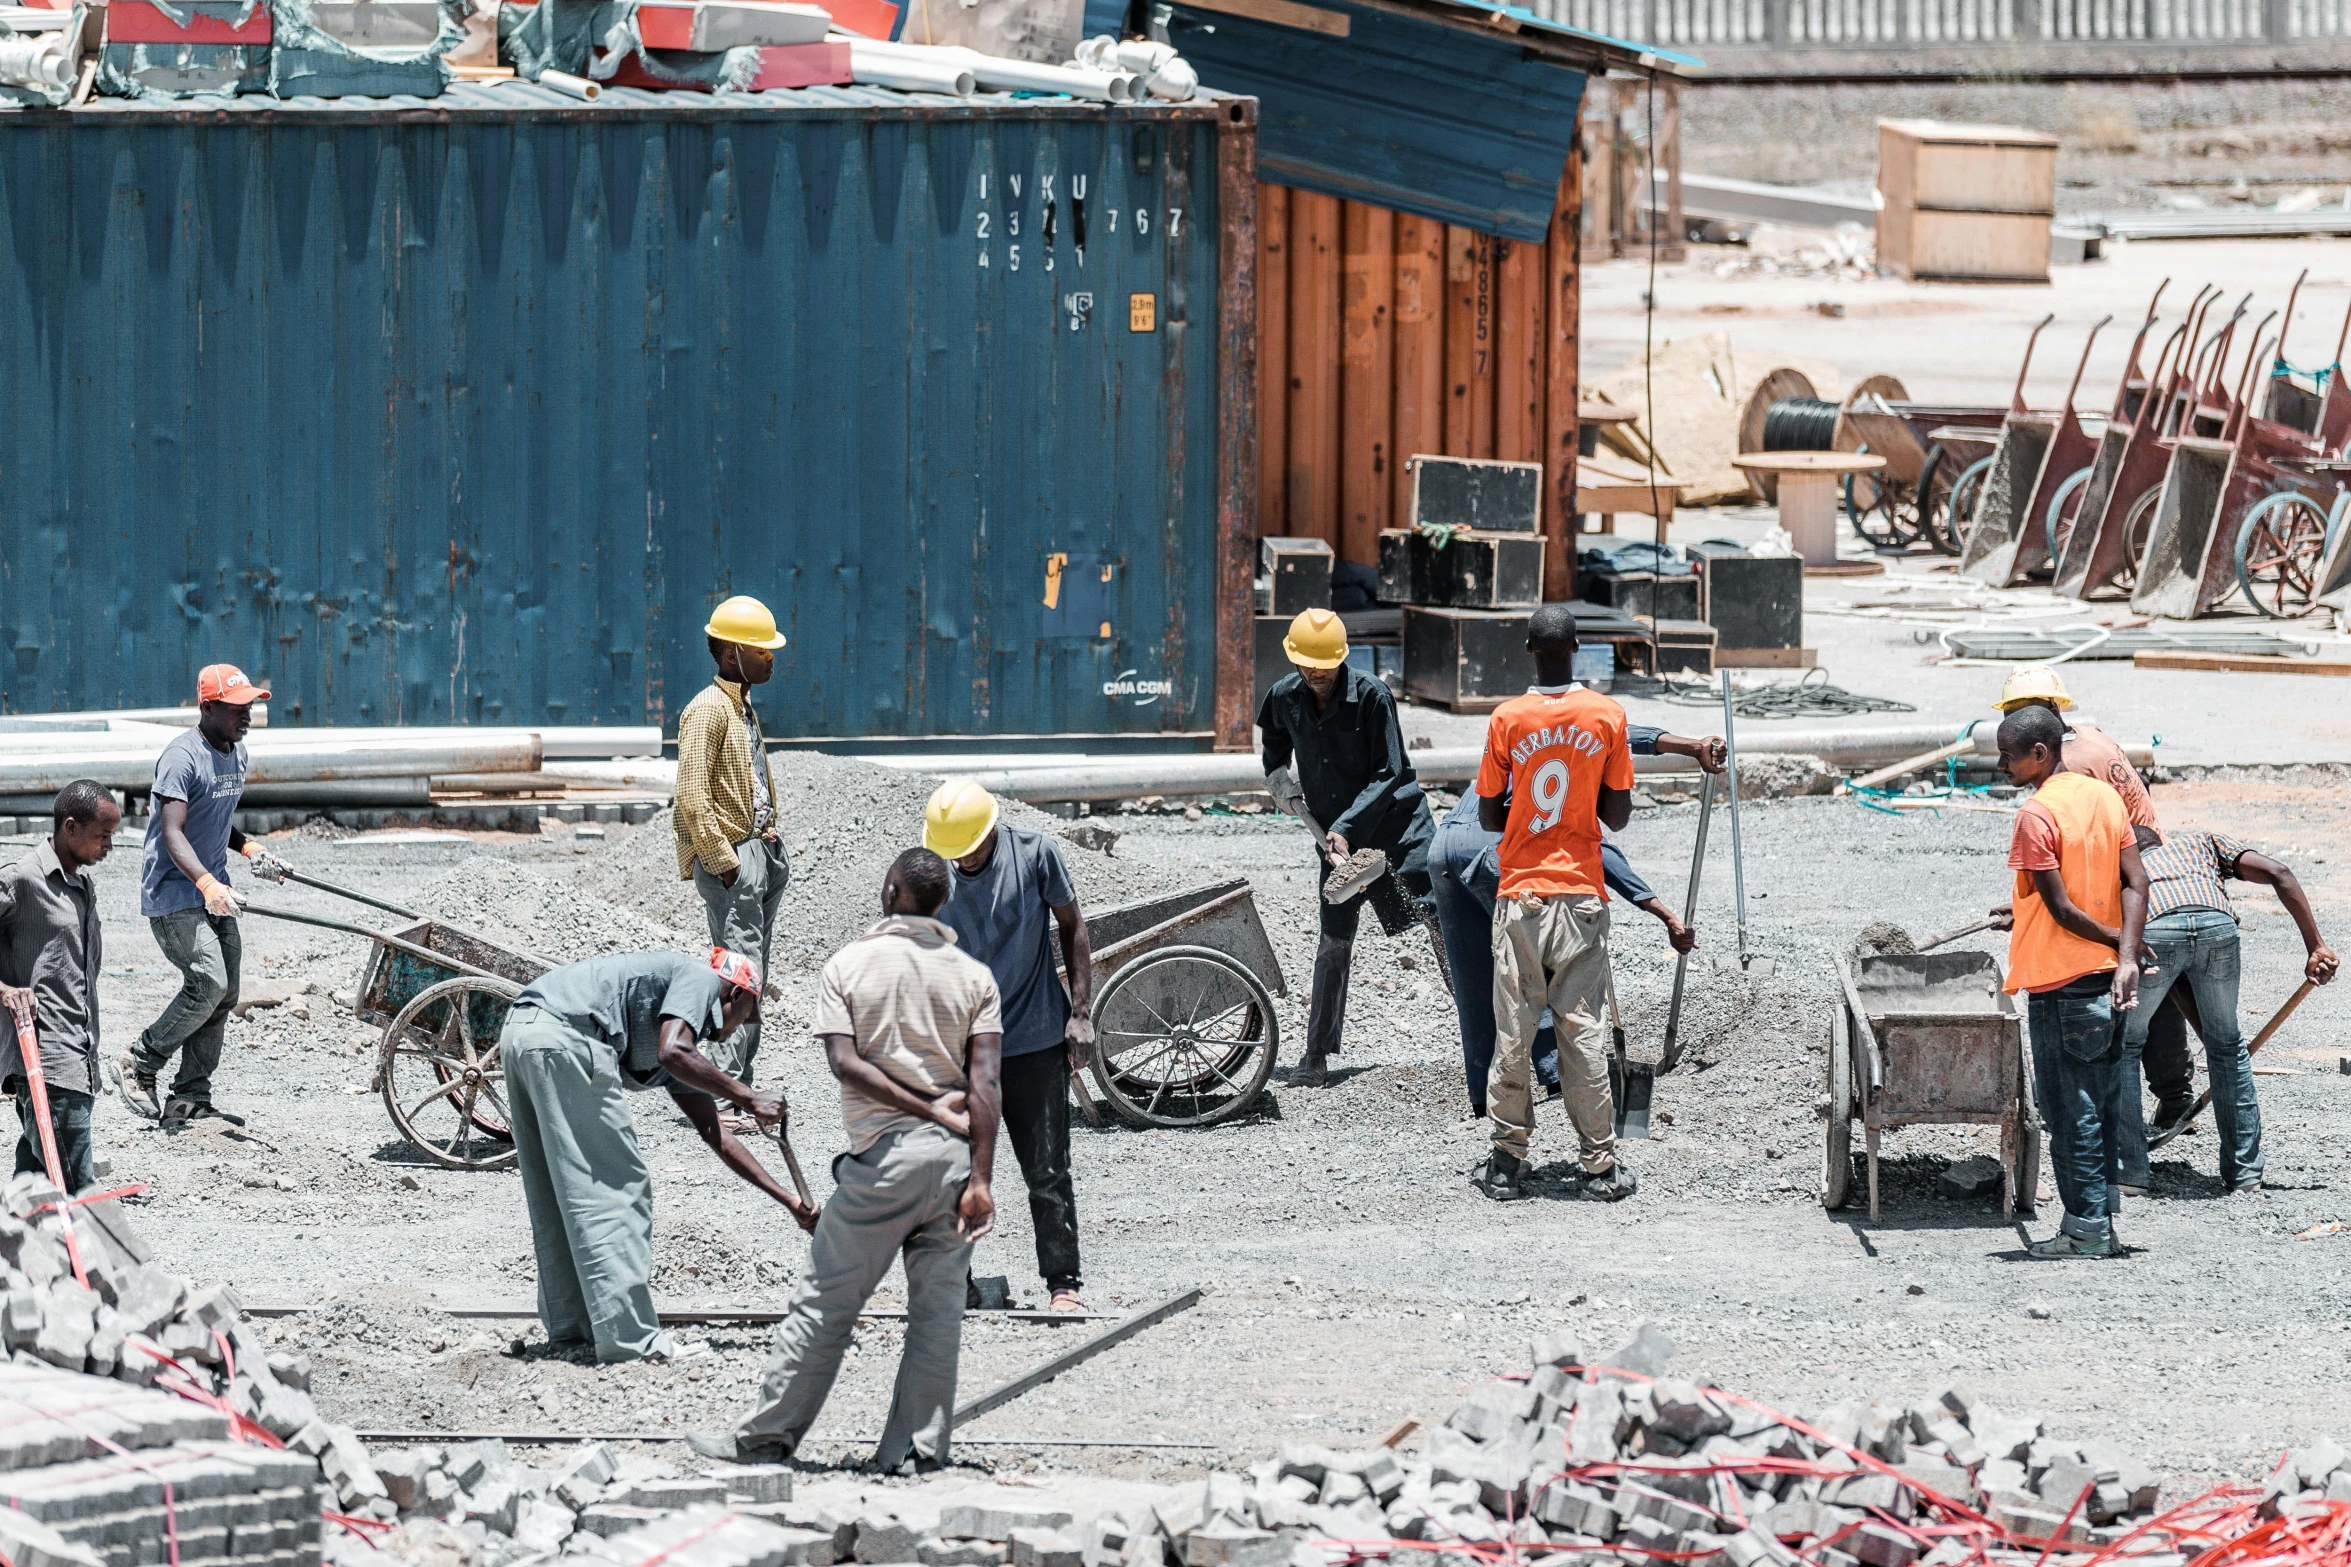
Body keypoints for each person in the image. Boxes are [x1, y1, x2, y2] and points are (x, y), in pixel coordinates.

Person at [692, 849, 1002, 1472]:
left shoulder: (848, 966)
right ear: (943, 903)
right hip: (953, 1168)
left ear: (889, 891)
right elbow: (988, 1085)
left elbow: (845, 1064)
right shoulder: (975, 978)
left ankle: (765, 1439)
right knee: (937, 1317)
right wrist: (983, 1178)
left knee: (826, 1303)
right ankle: (914, 1454)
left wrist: (924, 1111)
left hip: (883, 1164)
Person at [501, 947, 814, 1363]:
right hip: (567, 1039)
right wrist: (748, 1095)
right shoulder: (699, 979)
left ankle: (572, 1332)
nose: (743, 1028)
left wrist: (790, 1201)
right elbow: (673, 1051)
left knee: (560, 1194)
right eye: (750, 1015)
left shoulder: (678, 1034)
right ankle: (633, 1342)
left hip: (523, 1034)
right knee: (619, 1189)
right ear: (737, 994)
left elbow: (716, 1133)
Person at [1431, 724, 1723, 1118]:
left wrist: (1692, 746)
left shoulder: (1550, 726)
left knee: (1477, 984)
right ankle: (1555, 1083)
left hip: (1446, 844)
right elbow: (1603, 851)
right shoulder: (1575, 771)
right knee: (1545, 963)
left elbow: (1628, 735)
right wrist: (1664, 914)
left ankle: (1483, 1103)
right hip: (1495, 847)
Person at [1470, 605, 1638, 1204]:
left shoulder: (1506, 719)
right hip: (1582, 898)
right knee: (1583, 1030)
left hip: (1522, 896)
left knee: (1514, 1028)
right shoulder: (1606, 715)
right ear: (1577, 647)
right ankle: (1598, 1167)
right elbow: (1615, 815)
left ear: (1528, 649)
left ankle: (1508, 1163)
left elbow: (1489, 815)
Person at [1994, 665, 2200, 1135]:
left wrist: (2053, 908)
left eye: (2018, 712)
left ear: (2045, 718)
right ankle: (2170, 1101)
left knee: (2140, 994)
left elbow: (2078, 850)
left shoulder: (2071, 767)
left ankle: (2134, 1122)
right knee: (2157, 988)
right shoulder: (2091, 738)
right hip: (2140, 867)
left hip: (2127, 880)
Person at [923, 780, 1093, 1314]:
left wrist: (1080, 1014)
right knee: (953, 1172)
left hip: (1034, 1037)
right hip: (961, 1050)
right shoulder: (931, 872)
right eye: (954, 854)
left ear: (991, 830)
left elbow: (1073, 927)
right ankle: (959, 1283)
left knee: (1046, 1170)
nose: (963, 861)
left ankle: (1062, 1285)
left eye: (970, 849)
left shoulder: (1035, 853)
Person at [1257, 608, 1439, 1084]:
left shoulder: (1372, 696)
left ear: (1341, 659)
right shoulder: (1284, 697)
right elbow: (1273, 743)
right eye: (1307, 665)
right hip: (1333, 838)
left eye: (1325, 665)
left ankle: (1485, 1035)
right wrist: (1280, 780)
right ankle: (1315, 1054)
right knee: (1334, 933)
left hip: (1397, 828)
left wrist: (1347, 826)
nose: (1316, 674)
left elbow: (1389, 771)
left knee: (1442, 921)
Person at [1993, 703, 2148, 1261]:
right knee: (2102, 1104)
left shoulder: (2036, 815)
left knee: (2070, 1110)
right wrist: (2125, 952)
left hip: (2063, 983)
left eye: (2008, 756)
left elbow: (2061, 909)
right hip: (2108, 980)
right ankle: (2101, 1218)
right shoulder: (2103, 798)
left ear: (2040, 753)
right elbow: (2135, 882)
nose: (2001, 766)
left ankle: (2083, 1231)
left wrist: (2110, 940)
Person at [2118, 829, 2337, 1196]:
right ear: (2162, 841)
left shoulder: (2125, 866)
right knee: (2228, 1047)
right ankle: (2245, 1175)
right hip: (2216, 925)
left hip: (2155, 928)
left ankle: (2130, 1174)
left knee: (2124, 1047)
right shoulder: (2200, 843)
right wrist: (2315, 945)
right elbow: (2280, 873)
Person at [124, 665, 294, 1131]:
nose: (247, 716)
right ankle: (140, 1061)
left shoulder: (235, 753)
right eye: (237, 708)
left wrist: (250, 848)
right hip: (175, 893)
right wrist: (206, 883)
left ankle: (190, 1098)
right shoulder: (181, 757)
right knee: (208, 983)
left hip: (213, 888)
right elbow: (172, 832)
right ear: (207, 707)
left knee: (226, 993)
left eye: (251, 707)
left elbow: (216, 819)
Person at [675, 595, 793, 1084]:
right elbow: (691, 794)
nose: (771, 658)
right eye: (761, 651)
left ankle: (738, 1080)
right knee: (738, 975)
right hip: (734, 857)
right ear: (730, 653)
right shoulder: (707, 711)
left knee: (752, 973)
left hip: (758, 850)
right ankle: (724, 1091)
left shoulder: (739, 707)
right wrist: (725, 861)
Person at [0, 782, 122, 1192]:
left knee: (32, 1188)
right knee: (76, 1191)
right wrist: (4, 989)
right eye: (102, 835)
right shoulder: (21, 880)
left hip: (79, 1054)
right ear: (70, 828)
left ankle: (17, 1254)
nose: (109, 846)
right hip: (48, 1062)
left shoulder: (81, 887)